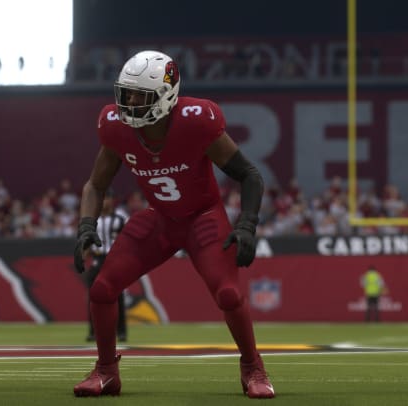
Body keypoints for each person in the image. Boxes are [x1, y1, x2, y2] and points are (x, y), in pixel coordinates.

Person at [72, 50, 274, 399]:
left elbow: (249, 174)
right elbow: (95, 184)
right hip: (160, 218)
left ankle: (253, 366)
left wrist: (247, 225)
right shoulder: (116, 127)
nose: (129, 102)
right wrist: (86, 225)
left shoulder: (196, 121)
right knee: (102, 289)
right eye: (126, 93)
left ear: (165, 95)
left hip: (203, 217)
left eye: (139, 96)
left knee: (228, 294)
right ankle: (106, 371)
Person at [79, 189, 127, 342]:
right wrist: (83, 256)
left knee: (118, 297)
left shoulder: (120, 219)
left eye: (107, 198)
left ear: (112, 200)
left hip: (113, 260)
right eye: (102, 198)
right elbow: (87, 241)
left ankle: (121, 331)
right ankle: (93, 331)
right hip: (97, 260)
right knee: (93, 297)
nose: (104, 201)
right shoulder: (93, 220)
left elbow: (126, 241)